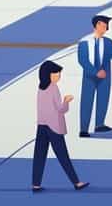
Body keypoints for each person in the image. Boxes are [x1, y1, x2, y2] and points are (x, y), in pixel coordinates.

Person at [32, 60, 88, 192]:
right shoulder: (53, 88)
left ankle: (36, 183)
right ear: (49, 74)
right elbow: (60, 109)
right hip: (54, 126)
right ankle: (76, 182)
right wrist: (66, 101)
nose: (58, 76)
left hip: (42, 125)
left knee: (39, 155)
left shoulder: (41, 87)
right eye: (56, 74)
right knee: (63, 155)